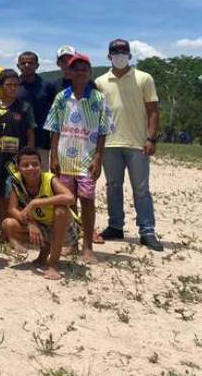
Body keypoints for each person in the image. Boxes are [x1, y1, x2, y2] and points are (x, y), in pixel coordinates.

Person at [45, 53, 113, 264]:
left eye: (85, 68)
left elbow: (103, 131)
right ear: (70, 73)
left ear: (89, 72)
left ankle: (87, 247)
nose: (81, 72)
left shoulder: (99, 98)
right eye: (76, 68)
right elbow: (54, 128)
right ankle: (72, 242)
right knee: (67, 201)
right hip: (64, 158)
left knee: (87, 201)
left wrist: (99, 158)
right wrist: (53, 156)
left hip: (87, 158)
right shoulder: (61, 97)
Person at [96, 39, 163, 251]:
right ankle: (115, 226)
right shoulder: (100, 82)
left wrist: (151, 138)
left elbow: (153, 110)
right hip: (109, 143)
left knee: (141, 189)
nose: (119, 54)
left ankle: (147, 231)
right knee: (113, 187)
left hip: (137, 143)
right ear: (109, 56)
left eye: (123, 51)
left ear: (130, 55)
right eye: (115, 51)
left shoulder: (144, 78)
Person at [2, 148, 76, 280]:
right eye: (25, 165)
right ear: (18, 168)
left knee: (61, 210)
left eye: (35, 164)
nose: (31, 168)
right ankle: (44, 251)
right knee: (8, 224)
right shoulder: (16, 181)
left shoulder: (49, 179)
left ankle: (53, 264)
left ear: (41, 166)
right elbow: (12, 209)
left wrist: (36, 202)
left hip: (65, 230)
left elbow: (70, 198)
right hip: (41, 224)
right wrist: (30, 224)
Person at [0, 69, 36, 226]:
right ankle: (4, 228)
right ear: (0, 87)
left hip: (16, 159)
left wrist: (28, 159)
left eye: (16, 85)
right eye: (9, 85)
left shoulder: (25, 108)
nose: (13, 88)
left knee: (13, 193)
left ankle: (16, 229)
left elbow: (30, 134)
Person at [16, 51, 57, 166]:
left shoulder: (47, 86)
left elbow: (54, 113)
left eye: (30, 62)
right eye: (23, 63)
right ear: (18, 66)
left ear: (37, 65)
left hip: (42, 140)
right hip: (18, 140)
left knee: (41, 175)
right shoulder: (14, 86)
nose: (27, 65)